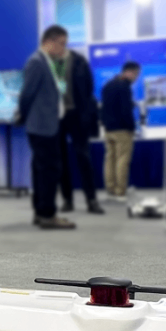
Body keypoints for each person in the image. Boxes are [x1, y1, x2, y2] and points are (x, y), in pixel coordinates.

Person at [18, 25, 76, 229]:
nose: (64, 48)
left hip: (50, 124)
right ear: (48, 42)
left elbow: (60, 90)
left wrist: (60, 64)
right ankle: (47, 215)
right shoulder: (36, 62)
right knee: (50, 171)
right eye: (61, 44)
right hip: (41, 126)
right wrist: (23, 116)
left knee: (42, 170)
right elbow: (26, 94)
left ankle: (40, 212)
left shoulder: (50, 62)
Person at [58, 45, 103, 214]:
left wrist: (85, 112)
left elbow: (88, 88)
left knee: (84, 158)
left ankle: (92, 200)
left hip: (77, 115)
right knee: (61, 160)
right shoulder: (50, 62)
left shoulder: (79, 61)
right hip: (57, 116)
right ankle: (67, 200)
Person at [100, 61, 141, 198]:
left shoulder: (108, 85)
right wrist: (132, 127)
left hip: (108, 129)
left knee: (109, 159)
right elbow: (125, 111)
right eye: (136, 74)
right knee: (122, 159)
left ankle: (110, 187)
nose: (136, 78)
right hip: (122, 129)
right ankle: (120, 190)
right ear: (129, 72)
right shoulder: (124, 87)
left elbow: (104, 108)